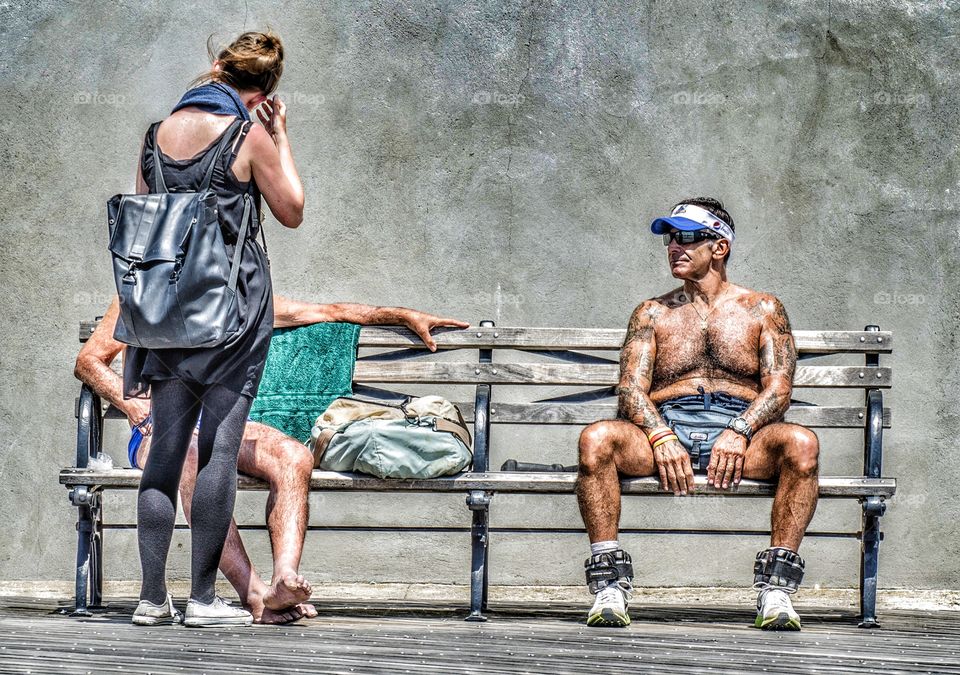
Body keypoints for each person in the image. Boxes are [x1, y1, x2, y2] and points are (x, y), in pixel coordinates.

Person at [76, 295, 468, 624]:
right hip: (161, 428)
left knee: (293, 454)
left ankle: (284, 579)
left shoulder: (235, 293)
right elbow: (89, 361)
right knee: (191, 455)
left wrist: (401, 316)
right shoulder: (141, 290)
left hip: (224, 422)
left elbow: (324, 312)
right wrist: (135, 406)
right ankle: (253, 594)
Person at [123, 30, 305, 627]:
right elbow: (292, 210)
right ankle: (203, 600)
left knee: (166, 455)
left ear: (218, 68)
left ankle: (152, 600)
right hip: (231, 314)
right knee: (219, 450)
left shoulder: (156, 136)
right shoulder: (247, 133)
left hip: (168, 316)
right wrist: (281, 138)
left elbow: (149, 221)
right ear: (263, 91)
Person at [576, 197, 819, 631]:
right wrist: (659, 435)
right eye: (671, 238)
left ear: (719, 247)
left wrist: (740, 428)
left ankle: (777, 591)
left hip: (741, 431)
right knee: (596, 439)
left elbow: (779, 387)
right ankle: (609, 587)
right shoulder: (652, 312)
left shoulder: (762, 308)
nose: (675, 246)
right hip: (666, 428)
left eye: (688, 237)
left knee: (802, 445)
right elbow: (631, 387)